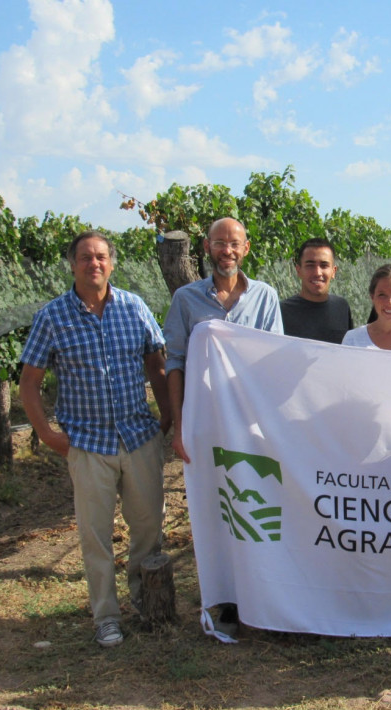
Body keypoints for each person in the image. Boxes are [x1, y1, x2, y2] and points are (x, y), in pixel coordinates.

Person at [19, 230, 171, 648]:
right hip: (87, 444)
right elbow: (29, 382)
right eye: (85, 257)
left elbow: (157, 366)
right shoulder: (53, 316)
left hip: (138, 436)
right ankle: (106, 615)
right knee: (96, 535)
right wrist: (46, 433)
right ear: (72, 264)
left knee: (147, 529)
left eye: (101, 256)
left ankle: (145, 603)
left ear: (112, 263)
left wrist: (166, 417)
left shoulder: (133, 307)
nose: (94, 264)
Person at [162, 216, 282, 638]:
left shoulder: (265, 297)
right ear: (207, 249)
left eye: (234, 244)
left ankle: (258, 594)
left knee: (255, 506)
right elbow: (174, 362)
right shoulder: (186, 300)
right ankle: (223, 600)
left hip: (249, 424)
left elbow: (274, 363)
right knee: (216, 510)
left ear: (246, 248)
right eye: (219, 244)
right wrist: (180, 426)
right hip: (206, 423)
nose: (226, 251)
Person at [280, 238, 353, 344]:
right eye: (310, 265)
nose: (317, 272)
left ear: (333, 271)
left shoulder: (342, 307)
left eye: (324, 265)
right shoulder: (282, 311)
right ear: (298, 270)